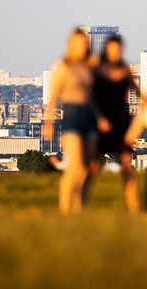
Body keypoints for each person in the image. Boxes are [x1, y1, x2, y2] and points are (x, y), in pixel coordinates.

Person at [43, 28, 98, 213]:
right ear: (70, 45)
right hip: (72, 116)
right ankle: (65, 210)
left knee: (89, 169)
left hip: (89, 116)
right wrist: (48, 123)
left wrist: (101, 117)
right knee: (75, 167)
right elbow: (53, 97)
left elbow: (93, 96)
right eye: (78, 43)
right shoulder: (63, 66)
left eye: (84, 43)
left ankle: (81, 207)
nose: (82, 47)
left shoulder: (90, 65)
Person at [91, 34, 139, 212]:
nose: (115, 53)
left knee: (127, 166)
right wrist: (98, 118)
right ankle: (83, 204)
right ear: (106, 49)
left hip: (121, 123)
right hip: (102, 123)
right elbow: (91, 98)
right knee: (93, 167)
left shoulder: (125, 70)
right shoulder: (97, 70)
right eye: (112, 49)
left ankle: (135, 208)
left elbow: (137, 91)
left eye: (118, 50)